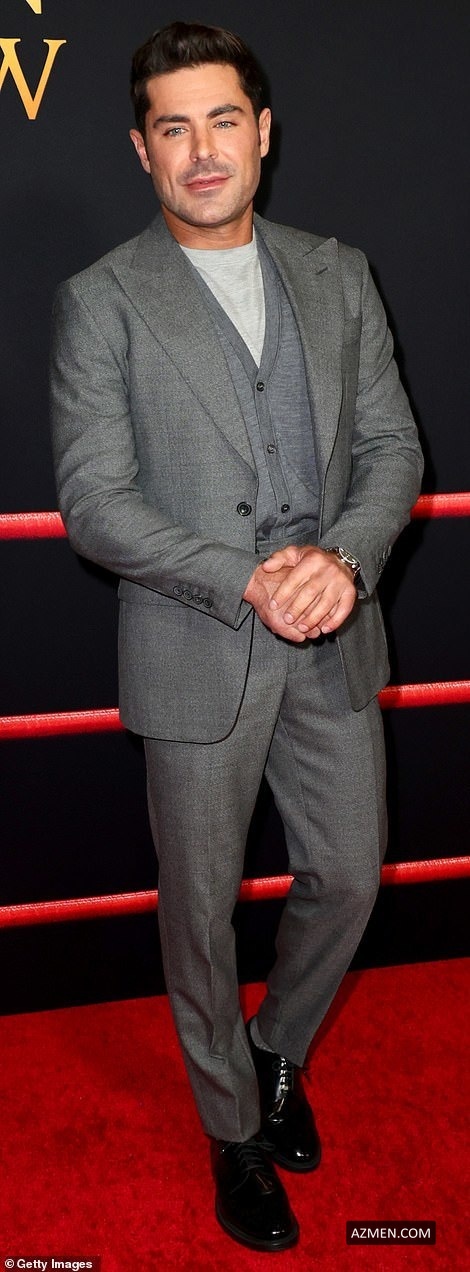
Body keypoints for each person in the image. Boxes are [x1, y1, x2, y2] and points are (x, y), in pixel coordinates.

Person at [50, 20, 423, 1253]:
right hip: (195, 645)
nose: (201, 150)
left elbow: (392, 449)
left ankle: (272, 1049)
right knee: (200, 913)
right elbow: (95, 502)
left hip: (333, 637)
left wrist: (344, 561)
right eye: (174, 128)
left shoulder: (338, 271)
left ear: (261, 133)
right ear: (142, 150)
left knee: (349, 877)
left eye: (222, 120)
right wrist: (246, 578)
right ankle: (232, 1130)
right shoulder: (102, 300)